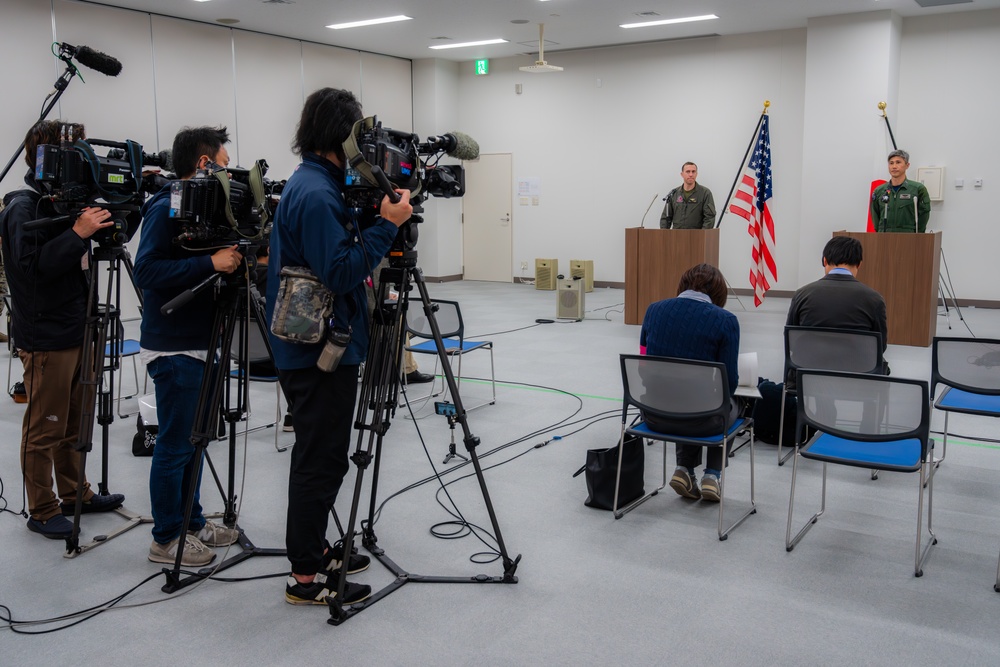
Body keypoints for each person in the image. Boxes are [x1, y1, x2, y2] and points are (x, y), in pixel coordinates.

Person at [265, 88, 412, 606]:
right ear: (341, 135)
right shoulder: (316, 194)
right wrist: (387, 227)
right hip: (316, 352)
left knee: (323, 456)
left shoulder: (318, 184)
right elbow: (343, 270)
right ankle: (305, 577)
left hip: (322, 344)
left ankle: (316, 548)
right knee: (319, 461)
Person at [0, 119, 124, 539]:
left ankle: (76, 493)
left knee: (74, 420)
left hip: (78, 325)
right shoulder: (22, 207)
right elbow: (32, 269)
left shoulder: (62, 202)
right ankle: (42, 507)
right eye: (76, 152)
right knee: (45, 425)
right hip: (47, 335)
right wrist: (76, 233)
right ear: (50, 157)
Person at [134, 126, 243, 567]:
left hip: (203, 343)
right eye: (223, 161)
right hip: (176, 348)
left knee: (195, 442)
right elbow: (147, 271)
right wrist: (210, 262)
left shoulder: (200, 211)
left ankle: (192, 522)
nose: (228, 170)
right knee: (176, 445)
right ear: (203, 164)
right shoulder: (164, 207)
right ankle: (165, 538)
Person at [639, 263, 740, 502]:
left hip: (653, 414)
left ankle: (684, 469)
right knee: (735, 401)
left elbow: (643, 366)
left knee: (686, 397)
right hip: (703, 420)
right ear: (718, 293)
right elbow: (730, 383)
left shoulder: (653, 310)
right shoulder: (726, 320)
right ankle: (712, 475)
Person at [786, 236, 888, 374]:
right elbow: (880, 347)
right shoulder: (874, 299)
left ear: (825, 261)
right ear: (859, 264)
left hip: (809, 373)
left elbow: (791, 340)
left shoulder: (802, 294)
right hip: (859, 375)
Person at [870, 149, 930, 233]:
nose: (894, 166)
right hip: (884, 238)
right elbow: (875, 217)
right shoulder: (879, 191)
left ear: (907, 165)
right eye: (891, 163)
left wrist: (918, 236)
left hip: (908, 237)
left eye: (898, 162)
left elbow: (923, 217)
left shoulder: (917, 189)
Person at [659, 162, 716, 230]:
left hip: (697, 237)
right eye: (688, 172)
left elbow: (709, 218)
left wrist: (702, 236)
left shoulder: (705, 193)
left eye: (693, 172)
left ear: (696, 174)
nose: (691, 174)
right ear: (682, 174)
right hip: (676, 237)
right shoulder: (674, 194)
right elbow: (665, 218)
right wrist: (664, 235)